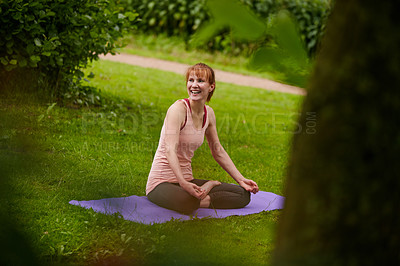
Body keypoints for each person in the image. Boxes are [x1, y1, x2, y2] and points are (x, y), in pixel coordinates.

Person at [146, 63, 259, 214]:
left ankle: (200, 195)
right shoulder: (178, 109)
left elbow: (217, 151)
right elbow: (169, 149)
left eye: (200, 81)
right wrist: (183, 183)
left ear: (211, 87)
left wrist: (241, 179)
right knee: (188, 202)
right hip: (161, 183)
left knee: (243, 195)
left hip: (187, 180)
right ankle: (207, 188)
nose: (194, 85)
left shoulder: (209, 114)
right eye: (191, 80)